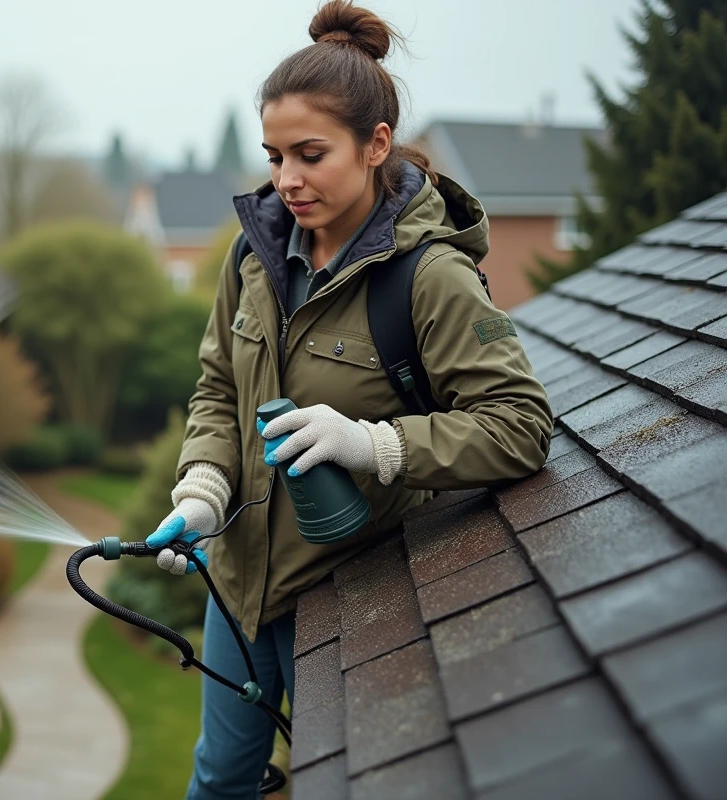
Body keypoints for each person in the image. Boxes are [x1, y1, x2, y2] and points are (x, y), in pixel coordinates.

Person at [144, 2, 554, 797]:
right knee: (219, 779)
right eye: (274, 156)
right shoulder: (254, 254)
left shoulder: (429, 277)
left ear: (375, 145)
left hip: (350, 595)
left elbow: (521, 425)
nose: (286, 181)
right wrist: (203, 490)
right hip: (238, 587)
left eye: (310, 154)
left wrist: (374, 445)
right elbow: (219, 385)